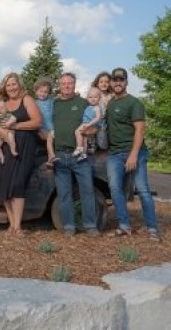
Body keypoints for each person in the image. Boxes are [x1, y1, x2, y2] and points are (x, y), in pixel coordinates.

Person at [106, 68, 160, 241]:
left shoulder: (134, 103)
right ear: (111, 83)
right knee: (115, 189)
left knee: (143, 190)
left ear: (126, 82)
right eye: (115, 79)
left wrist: (133, 155)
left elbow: (140, 129)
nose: (118, 82)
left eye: (121, 79)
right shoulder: (110, 104)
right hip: (115, 154)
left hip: (135, 152)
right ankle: (124, 225)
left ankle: (152, 228)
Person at [0, 73, 41, 236]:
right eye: (8, 85)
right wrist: (1, 130)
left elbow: (37, 122)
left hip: (23, 147)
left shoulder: (27, 100)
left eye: (14, 84)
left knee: (17, 184)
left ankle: (17, 227)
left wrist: (15, 126)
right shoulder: (1, 103)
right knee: (5, 185)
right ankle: (11, 225)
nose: (11, 88)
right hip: (3, 147)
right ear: (4, 87)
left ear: (19, 85)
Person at [52, 72, 100, 237]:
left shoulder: (82, 103)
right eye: (64, 83)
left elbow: (96, 126)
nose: (67, 85)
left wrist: (87, 131)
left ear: (74, 85)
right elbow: (46, 126)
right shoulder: (54, 104)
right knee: (64, 194)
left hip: (80, 156)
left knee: (87, 190)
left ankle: (90, 226)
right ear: (59, 85)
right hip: (60, 155)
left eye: (70, 83)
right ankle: (69, 227)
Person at [73, 87, 103, 161]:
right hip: (86, 123)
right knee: (84, 138)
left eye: (95, 97)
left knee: (77, 132)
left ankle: (79, 147)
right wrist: (77, 95)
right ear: (87, 98)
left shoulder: (97, 107)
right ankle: (83, 153)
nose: (93, 99)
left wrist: (89, 124)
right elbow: (82, 99)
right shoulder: (89, 106)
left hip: (90, 124)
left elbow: (98, 118)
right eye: (90, 97)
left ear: (99, 98)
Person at [34, 78, 57, 169]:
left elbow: (56, 110)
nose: (43, 94)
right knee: (49, 137)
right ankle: (51, 155)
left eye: (45, 92)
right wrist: (39, 129)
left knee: (51, 135)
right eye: (40, 91)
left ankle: (51, 160)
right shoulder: (35, 103)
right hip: (41, 128)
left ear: (49, 93)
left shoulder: (51, 101)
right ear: (36, 91)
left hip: (51, 127)